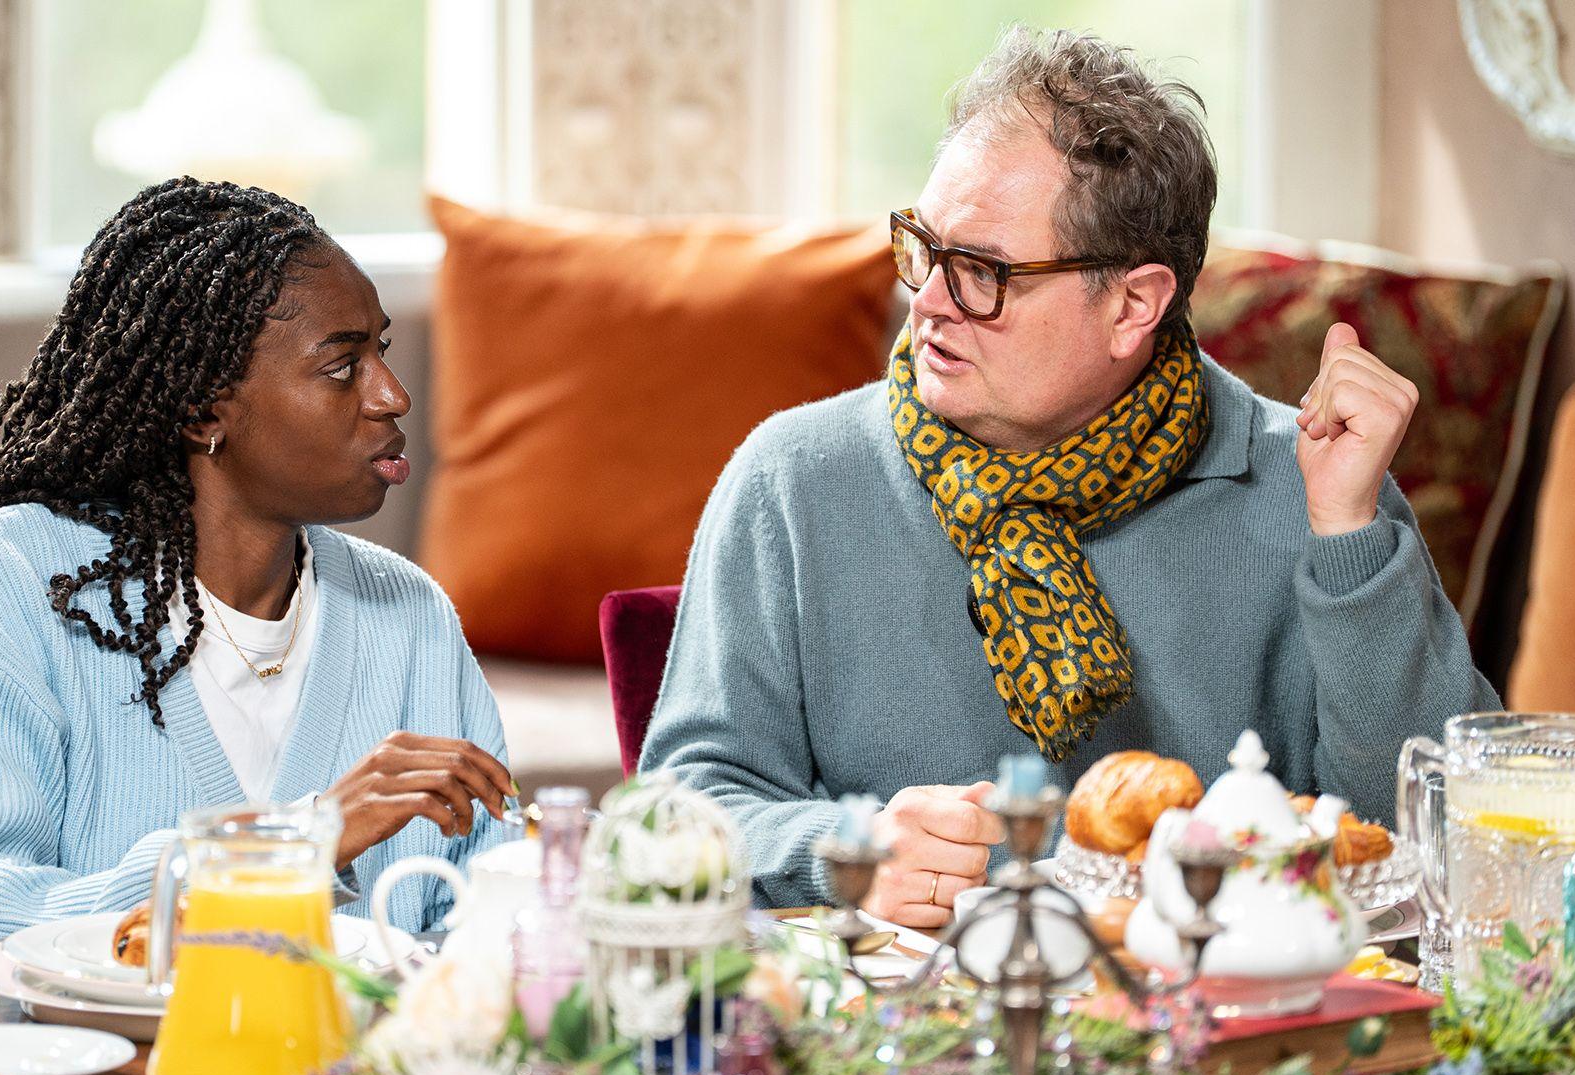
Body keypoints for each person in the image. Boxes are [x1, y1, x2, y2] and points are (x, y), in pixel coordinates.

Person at [640, 28, 1497, 927]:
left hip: (1215, 1039)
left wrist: (1351, 538)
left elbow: (1439, 848)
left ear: (1134, 304)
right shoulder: (791, 481)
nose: (926, 299)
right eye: (923, 248)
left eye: (982, 272)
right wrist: (842, 851)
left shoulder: (1314, 484)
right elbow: (674, 815)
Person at [0, 179, 513, 972]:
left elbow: (493, 919)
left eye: (381, 349)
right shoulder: (2, 578)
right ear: (205, 409)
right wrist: (288, 849)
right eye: (342, 366)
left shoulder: (408, 613)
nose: (393, 393)